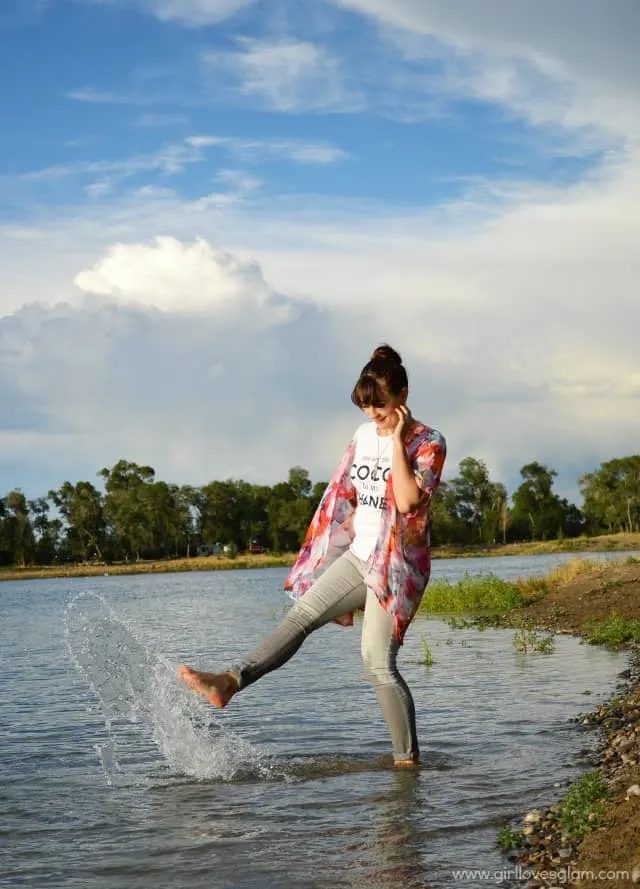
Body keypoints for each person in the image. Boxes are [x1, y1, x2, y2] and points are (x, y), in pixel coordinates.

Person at [178, 345, 447, 766]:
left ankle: (406, 764)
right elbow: (354, 495)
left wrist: (397, 440)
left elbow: (409, 500)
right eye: (366, 407)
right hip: (359, 557)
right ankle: (230, 682)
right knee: (300, 616)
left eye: (381, 406)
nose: (373, 415)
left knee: (376, 662)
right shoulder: (360, 437)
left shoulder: (429, 442)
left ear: (404, 394)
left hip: (397, 567)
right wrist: (350, 527)